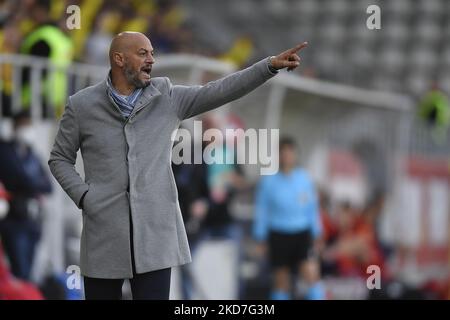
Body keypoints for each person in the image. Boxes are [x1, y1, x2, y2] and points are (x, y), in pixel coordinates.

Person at [47, 31, 307, 300]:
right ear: (119, 59)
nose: (151, 60)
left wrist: (267, 67)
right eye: (143, 53)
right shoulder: (81, 106)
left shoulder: (166, 96)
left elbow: (219, 91)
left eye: (152, 53)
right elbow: (59, 158)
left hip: (156, 240)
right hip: (103, 236)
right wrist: (85, 196)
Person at [252, 137, 325, 300]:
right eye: (283, 152)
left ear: (295, 155)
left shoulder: (304, 179)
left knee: (311, 275)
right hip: (278, 234)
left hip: (302, 233)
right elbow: (262, 211)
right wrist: (260, 237)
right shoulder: (268, 182)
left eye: (289, 152)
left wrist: (317, 233)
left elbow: (312, 210)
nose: (286, 156)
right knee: (281, 281)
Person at [0, 110, 53, 280]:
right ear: (14, 127)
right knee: (20, 270)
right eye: (24, 125)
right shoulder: (5, 151)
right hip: (14, 219)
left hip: (33, 220)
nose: (27, 129)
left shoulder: (32, 154)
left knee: (29, 271)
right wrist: (31, 183)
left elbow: (48, 185)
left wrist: (31, 184)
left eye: (29, 125)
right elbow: (18, 178)